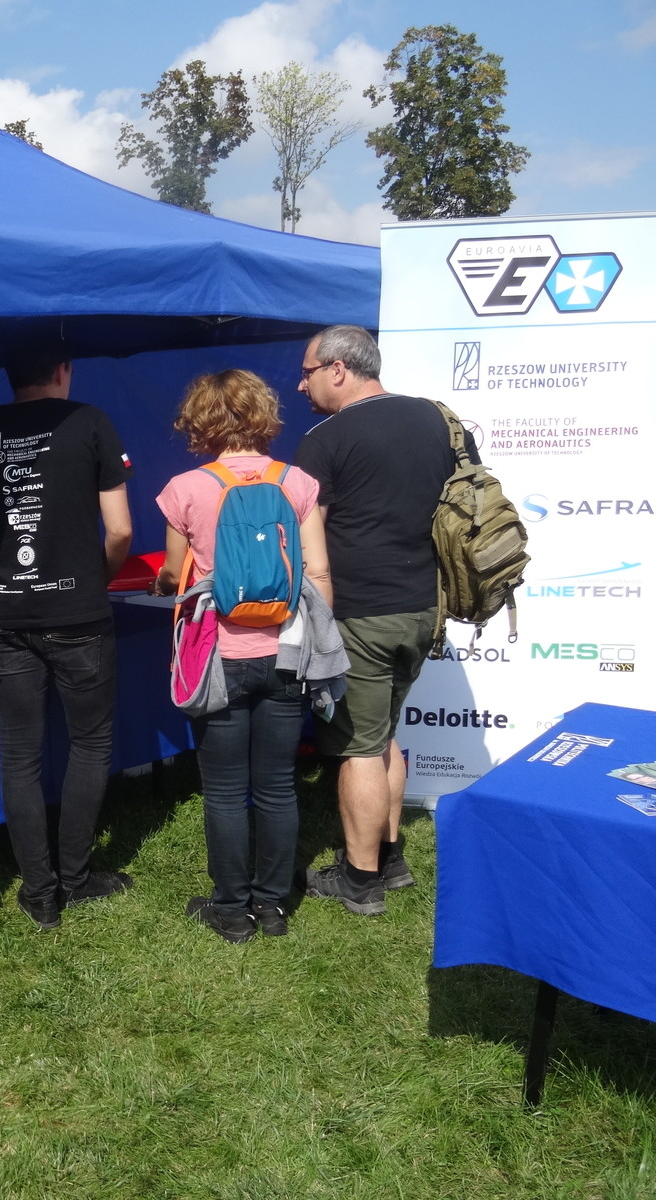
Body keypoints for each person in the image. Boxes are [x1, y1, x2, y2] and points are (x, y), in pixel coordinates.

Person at [0, 340, 135, 931]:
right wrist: (92, 582)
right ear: (62, 370)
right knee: (90, 744)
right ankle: (75, 878)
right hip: (80, 616)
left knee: (19, 756)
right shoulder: (91, 422)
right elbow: (121, 532)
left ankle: (39, 892)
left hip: (5, 618)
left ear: (10, 375)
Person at [292, 325, 472, 916]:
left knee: (359, 749)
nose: (301, 385)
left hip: (361, 615)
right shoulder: (438, 420)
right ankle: (390, 861)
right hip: (426, 607)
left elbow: (307, 537)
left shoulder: (324, 440)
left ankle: (359, 879)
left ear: (338, 369)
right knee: (385, 735)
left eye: (307, 372)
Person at [150, 370, 332, 942]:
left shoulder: (185, 488)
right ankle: (272, 907)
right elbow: (319, 571)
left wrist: (165, 583)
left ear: (200, 421)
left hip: (218, 657)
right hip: (286, 652)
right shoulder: (297, 482)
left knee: (225, 791)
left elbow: (173, 574)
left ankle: (231, 911)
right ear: (262, 414)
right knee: (277, 785)